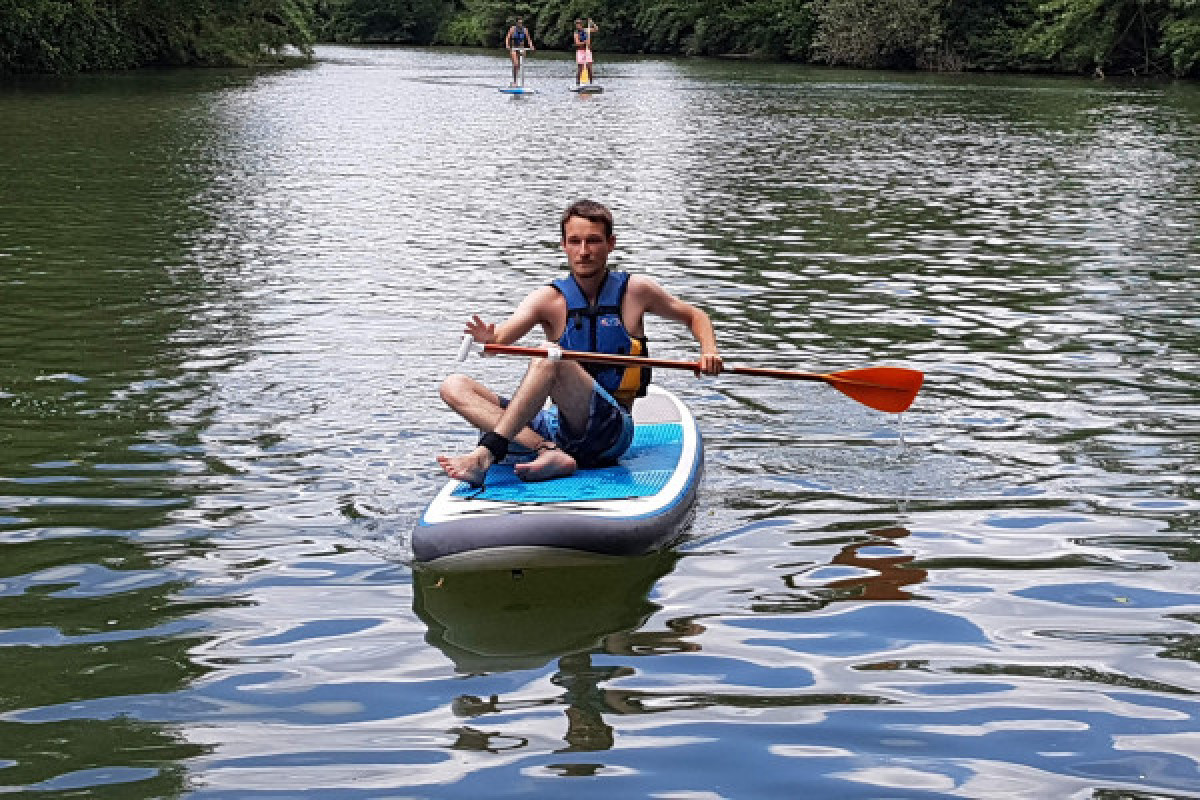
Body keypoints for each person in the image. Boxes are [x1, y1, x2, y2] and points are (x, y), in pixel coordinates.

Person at [437, 200, 723, 487]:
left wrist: (708, 350)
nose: (584, 251)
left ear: (611, 244)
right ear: (563, 245)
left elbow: (694, 316)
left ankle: (485, 455)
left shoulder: (636, 291)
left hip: (610, 432)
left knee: (550, 358)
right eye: (575, 241)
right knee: (454, 386)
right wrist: (489, 339)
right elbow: (500, 339)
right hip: (556, 428)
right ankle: (545, 450)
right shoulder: (548, 299)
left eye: (594, 241)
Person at [504, 18, 535, 87]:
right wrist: (507, 45)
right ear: (517, 23)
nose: (520, 24)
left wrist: (531, 46)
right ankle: (514, 81)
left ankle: (522, 83)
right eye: (519, 23)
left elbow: (529, 39)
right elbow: (507, 38)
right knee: (515, 64)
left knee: (520, 66)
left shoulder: (525, 30)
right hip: (514, 49)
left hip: (522, 48)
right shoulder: (513, 29)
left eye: (521, 23)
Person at [573, 18, 598, 85]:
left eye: (579, 24)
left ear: (581, 25)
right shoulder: (576, 33)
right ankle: (577, 84)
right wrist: (584, 42)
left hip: (587, 51)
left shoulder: (586, 30)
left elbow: (596, 29)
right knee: (580, 68)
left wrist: (592, 22)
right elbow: (577, 43)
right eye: (577, 24)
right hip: (580, 51)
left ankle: (591, 84)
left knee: (589, 67)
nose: (577, 26)